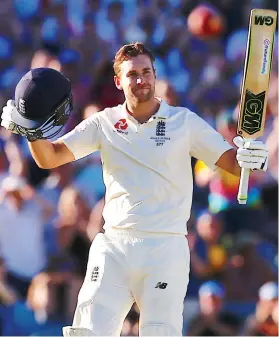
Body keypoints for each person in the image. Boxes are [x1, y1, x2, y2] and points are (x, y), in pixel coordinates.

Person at [0, 43, 269, 336]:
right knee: (88, 331)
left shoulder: (184, 122)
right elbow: (50, 157)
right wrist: (30, 130)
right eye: (132, 74)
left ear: (155, 75)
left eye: (146, 72)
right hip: (115, 245)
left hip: (165, 248)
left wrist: (250, 156)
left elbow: (232, 163)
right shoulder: (104, 123)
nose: (141, 80)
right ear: (118, 81)